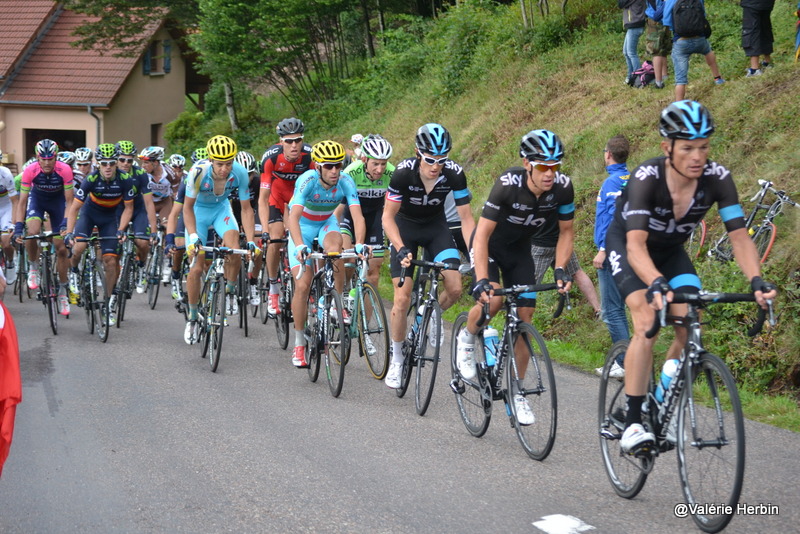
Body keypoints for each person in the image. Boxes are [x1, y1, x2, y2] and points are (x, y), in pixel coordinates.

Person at [605, 100, 776, 453]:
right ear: (667, 147)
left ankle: (661, 396)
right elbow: (635, 245)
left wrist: (756, 280)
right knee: (647, 320)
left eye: (703, 146)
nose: (697, 156)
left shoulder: (718, 178)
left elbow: (739, 236)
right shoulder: (646, 178)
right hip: (628, 247)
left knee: (689, 324)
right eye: (687, 148)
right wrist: (654, 282)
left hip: (670, 253)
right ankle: (634, 420)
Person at [456, 129, 574, 425]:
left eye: (555, 166)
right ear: (527, 163)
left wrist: (560, 268)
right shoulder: (508, 185)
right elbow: (481, 235)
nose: (550, 173)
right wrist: (482, 279)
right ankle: (467, 338)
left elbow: (567, 232)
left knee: (525, 316)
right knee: (492, 302)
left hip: (521, 251)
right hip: (489, 247)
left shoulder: (562, 187)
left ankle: (518, 391)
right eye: (543, 166)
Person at [382, 123, 475, 389]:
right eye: (430, 160)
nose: (436, 166)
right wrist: (399, 247)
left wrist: (475, 251)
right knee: (401, 299)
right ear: (417, 153)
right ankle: (398, 359)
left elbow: (466, 218)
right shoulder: (402, 174)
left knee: (455, 287)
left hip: (436, 229)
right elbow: (388, 217)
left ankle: (428, 312)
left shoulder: (455, 174)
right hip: (405, 230)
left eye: (442, 160)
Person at [286, 140, 366, 368]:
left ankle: (333, 302)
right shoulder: (307, 180)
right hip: (302, 226)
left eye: (338, 166)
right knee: (302, 284)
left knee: (335, 252)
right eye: (329, 166)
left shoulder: (346, 182)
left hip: (326, 223)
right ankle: (299, 342)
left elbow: (357, 216)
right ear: (318, 166)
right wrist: (301, 245)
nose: (334, 171)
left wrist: (359, 244)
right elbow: (293, 217)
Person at [182, 135, 258, 344]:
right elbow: (187, 208)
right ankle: (192, 316)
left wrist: (250, 240)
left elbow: (246, 209)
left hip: (221, 210)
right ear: (211, 160)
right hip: (198, 212)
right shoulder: (198, 172)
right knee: (197, 268)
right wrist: (194, 237)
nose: (224, 168)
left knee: (234, 249)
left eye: (228, 163)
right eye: (219, 164)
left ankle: (230, 291)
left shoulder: (240, 173)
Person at [64, 144, 135, 326]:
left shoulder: (126, 179)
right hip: (89, 214)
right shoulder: (91, 179)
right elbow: (74, 209)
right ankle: (73, 271)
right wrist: (70, 232)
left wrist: (121, 229)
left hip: (110, 218)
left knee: (111, 261)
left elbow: (128, 208)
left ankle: (109, 302)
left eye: (112, 163)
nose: (108, 167)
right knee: (78, 247)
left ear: (116, 163)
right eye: (104, 164)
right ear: (98, 164)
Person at [257, 118, 315, 317]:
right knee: (275, 237)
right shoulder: (270, 159)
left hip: (300, 198)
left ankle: (310, 285)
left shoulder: (310, 157)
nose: (293, 145)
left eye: (297, 140)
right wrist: (264, 229)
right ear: (281, 141)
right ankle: (273, 287)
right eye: (288, 141)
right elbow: (263, 198)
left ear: (302, 140)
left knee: (310, 237)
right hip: (277, 197)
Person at [13, 139, 74, 316]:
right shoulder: (30, 170)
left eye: (50, 158)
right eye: (43, 159)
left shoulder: (65, 170)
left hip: (58, 203)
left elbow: (70, 201)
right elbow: (22, 202)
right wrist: (18, 227)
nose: (47, 163)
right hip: (37, 201)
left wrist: (64, 224)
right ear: (37, 158)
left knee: (61, 249)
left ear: (56, 157)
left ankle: (63, 291)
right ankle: (33, 266)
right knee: (31, 232)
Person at [592, 135, 632, 379]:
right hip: (631, 251)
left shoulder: (611, 183)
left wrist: (603, 250)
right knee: (625, 308)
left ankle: (625, 363)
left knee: (612, 310)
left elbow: (612, 218)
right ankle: (629, 359)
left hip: (613, 253)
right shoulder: (631, 178)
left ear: (608, 154)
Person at [340, 134, 394, 289]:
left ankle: (365, 310)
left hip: (375, 217)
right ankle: (345, 287)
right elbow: (338, 205)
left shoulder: (392, 174)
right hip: (349, 216)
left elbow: (396, 207)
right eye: (375, 164)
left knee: (374, 269)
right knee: (348, 258)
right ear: (364, 159)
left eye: (384, 164)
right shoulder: (351, 172)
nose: (380, 169)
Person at [115, 141, 158, 294]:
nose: (126, 163)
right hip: (118, 209)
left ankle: (141, 268)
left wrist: (153, 231)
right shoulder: (109, 172)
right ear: (116, 159)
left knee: (142, 242)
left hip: (137, 208)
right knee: (115, 243)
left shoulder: (140, 174)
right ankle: (118, 269)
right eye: (122, 160)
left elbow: (149, 203)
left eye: (129, 160)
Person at [663, 0, 725, 101]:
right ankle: (718, 78)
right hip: (699, 39)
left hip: (681, 42)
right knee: (708, 51)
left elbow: (666, 21)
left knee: (680, 80)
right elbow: (702, 15)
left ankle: (679, 106)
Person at [741, 0, 774, 76]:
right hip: (767, 3)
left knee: (751, 31)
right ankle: (767, 62)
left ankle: (754, 69)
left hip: (751, 3)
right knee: (765, 27)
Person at [0, 156, 19, 286]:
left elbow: (15, 201)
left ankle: (11, 261)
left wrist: (14, 223)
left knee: (6, 242)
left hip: (6, 207)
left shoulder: (6, 174)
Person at [645, 0, 671, 88]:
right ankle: (665, 76)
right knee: (663, 47)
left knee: (655, 50)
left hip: (655, 18)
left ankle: (658, 82)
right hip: (666, 17)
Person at [621, 0, 647, 85]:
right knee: (626, 52)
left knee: (631, 53)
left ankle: (638, 78)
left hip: (635, 25)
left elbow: (621, 3)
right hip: (633, 25)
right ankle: (630, 76)